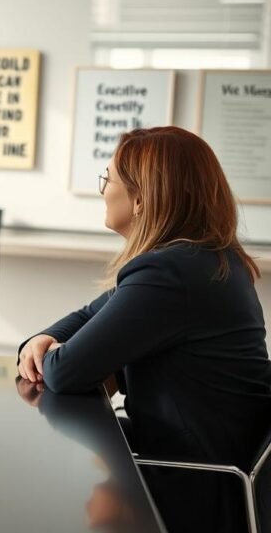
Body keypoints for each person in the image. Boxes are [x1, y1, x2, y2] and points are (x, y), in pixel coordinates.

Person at [16, 126, 271, 532]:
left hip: (195, 483)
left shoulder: (172, 273)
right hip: (206, 466)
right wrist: (40, 340)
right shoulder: (205, 260)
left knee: (29, 482)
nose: (103, 190)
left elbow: (65, 372)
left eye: (109, 178)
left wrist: (52, 352)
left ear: (141, 199)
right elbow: (86, 316)